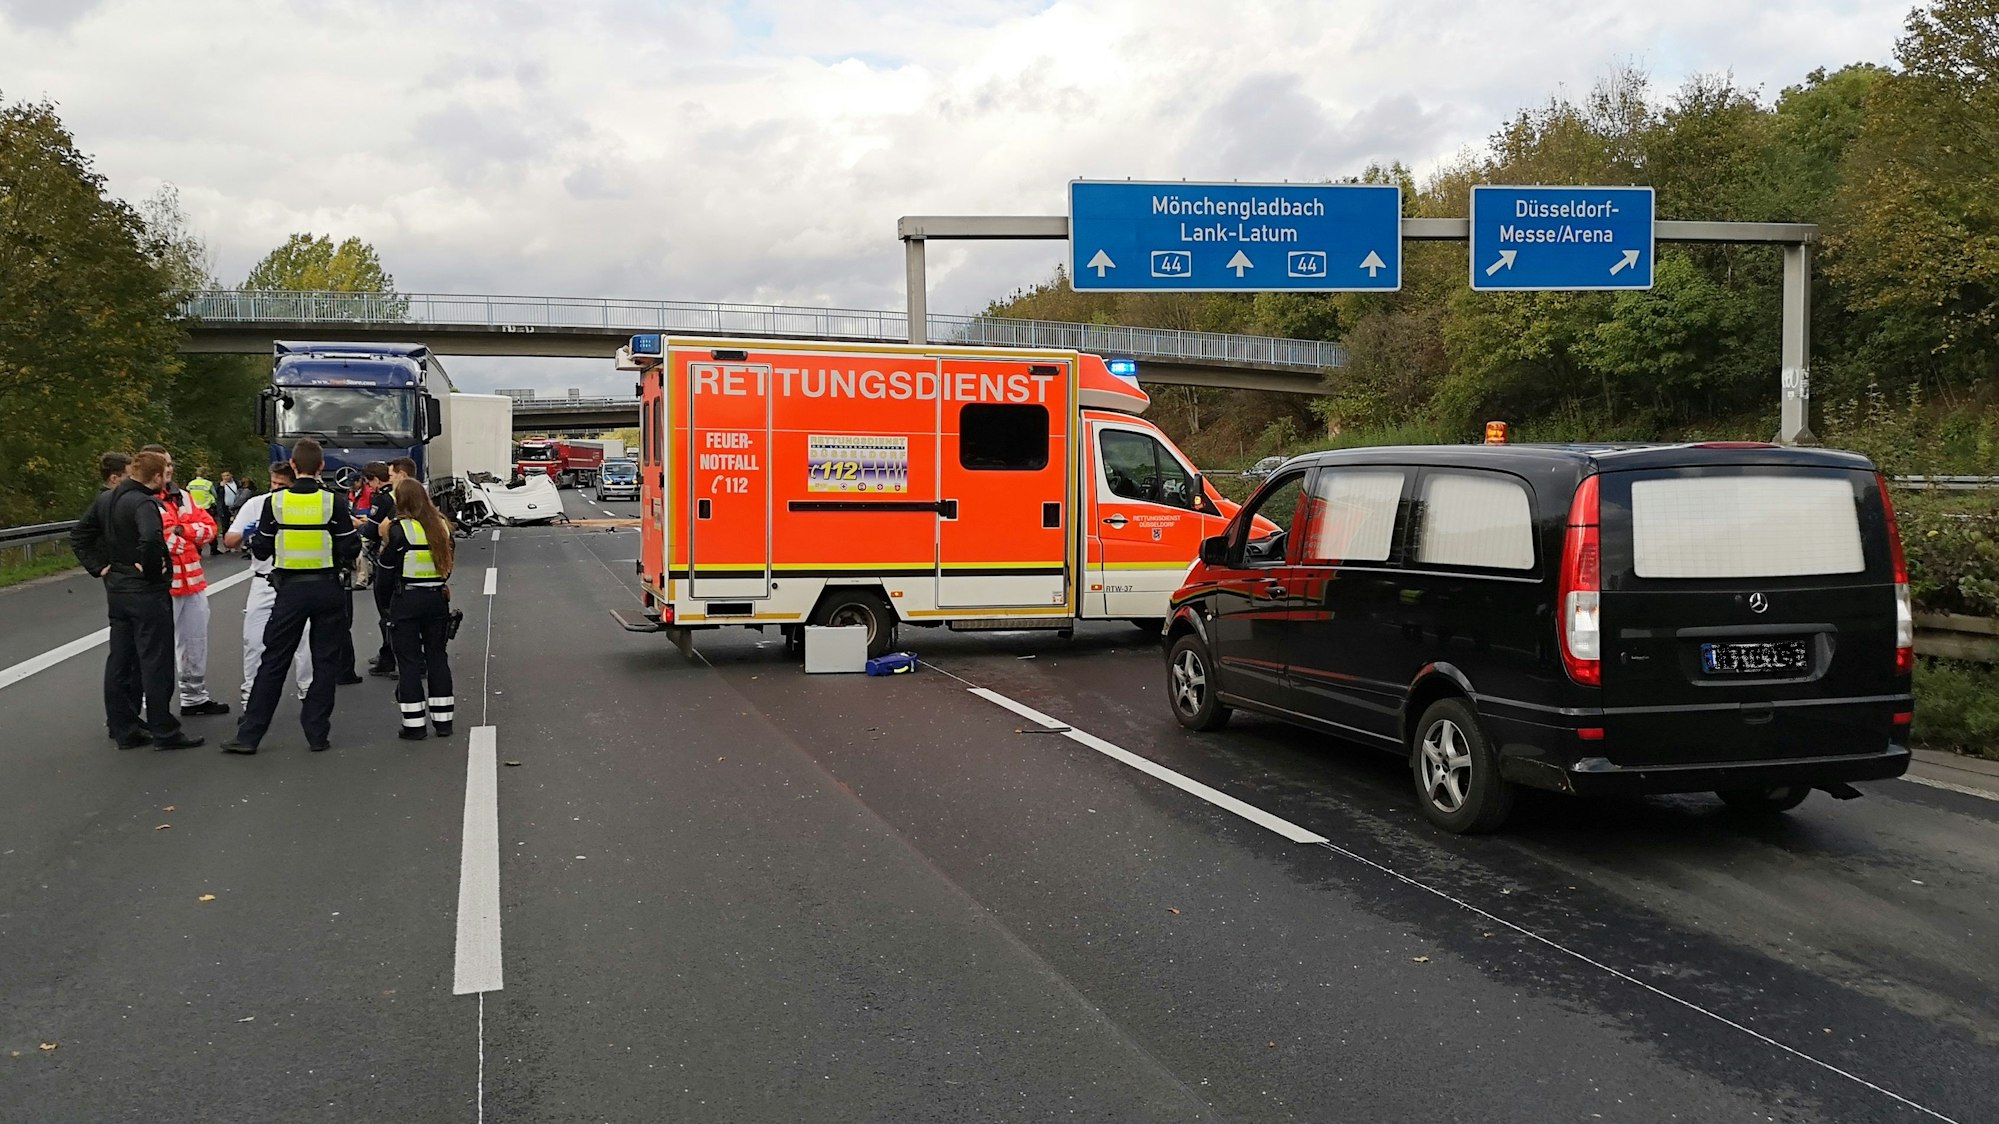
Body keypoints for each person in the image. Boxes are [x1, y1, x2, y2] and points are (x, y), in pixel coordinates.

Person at [221, 439, 360, 755]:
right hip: (327, 588)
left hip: (289, 591)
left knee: (273, 660)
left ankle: (250, 736)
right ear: (321, 467)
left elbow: (261, 548)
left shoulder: (276, 504)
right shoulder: (333, 502)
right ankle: (316, 734)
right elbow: (351, 547)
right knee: (324, 662)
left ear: (294, 467)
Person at [101, 452, 203, 750]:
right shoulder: (145, 502)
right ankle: (165, 731)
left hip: (117, 589)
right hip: (144, 593)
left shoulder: (109, 498)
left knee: (120, 661)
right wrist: (152, 571)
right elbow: (151, 539)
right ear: (157, 476)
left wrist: (100, 565)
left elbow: (82, 533)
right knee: (155, 662)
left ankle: (124, 728)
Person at [226, 463, 314, 707]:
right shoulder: (257, 504)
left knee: (304, 641)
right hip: (264, 582)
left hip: (296, 581)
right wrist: (249, 530)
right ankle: (251, 696)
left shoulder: (306, 506)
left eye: (281, 485)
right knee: (253, 640)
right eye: (273, 483)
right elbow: (230, 539)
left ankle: (308, 690)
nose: (275, 489)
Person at [377, 479, 455, 739]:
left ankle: (414, 725)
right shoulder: (442, 526)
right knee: (437, 657)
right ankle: (443, 722)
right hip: (436, 600)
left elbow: (386, 572)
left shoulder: (399, 530)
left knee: (409, 662)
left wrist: (386, 608)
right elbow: (448, 565)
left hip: (407, 600)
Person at [158, 458, 229, 717]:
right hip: (163, 585)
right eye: (162, 464)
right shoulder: (145, 500)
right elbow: (162, 538)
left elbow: (209, 528)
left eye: (170, 464)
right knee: (156, 649)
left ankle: (194, 698)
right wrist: (187, 532)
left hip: (194, 583)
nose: (169, 469)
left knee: (195, 642)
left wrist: (181, 530)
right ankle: (146, 709)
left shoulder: (184, 497)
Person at [364, 461, 403, 676]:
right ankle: (389, 654)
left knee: (386, 612)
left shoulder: (382, 497)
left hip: (386, 555)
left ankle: (390, 658)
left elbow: (372, 530)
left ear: (376, 480)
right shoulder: (404, 495)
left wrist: (362, 524)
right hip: (404, 557)